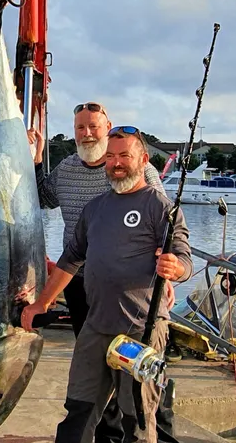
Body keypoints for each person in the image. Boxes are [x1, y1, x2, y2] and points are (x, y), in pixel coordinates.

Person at [22, 126, 193, 443]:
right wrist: (41, 303)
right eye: (111, 156)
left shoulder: (161, 207)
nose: (116, 163)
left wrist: (176, 267)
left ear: (142, 159)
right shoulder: (95, 208)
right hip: (95, 326)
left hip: (140, 331)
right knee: (78, 412)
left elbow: (183, 256)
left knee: (137, 421)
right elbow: (71, 259)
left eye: (124, 155)